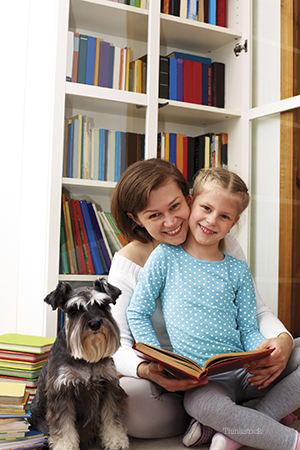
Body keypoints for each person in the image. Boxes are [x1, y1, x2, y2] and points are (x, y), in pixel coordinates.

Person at [108, 159, 294, 441]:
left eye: (175, 206)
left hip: (233, 367)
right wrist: (149, 368)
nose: (171, 222)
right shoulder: (132, 263)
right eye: (154, 215)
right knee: (129, 401)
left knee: (294, 352)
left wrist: (282, 342)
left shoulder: (221, 243)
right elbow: (117, 345)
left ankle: (238, 425)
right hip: (173, 378)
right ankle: (236, 418)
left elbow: (254, 314)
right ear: (136, 219)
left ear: (188, 198)